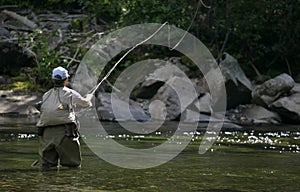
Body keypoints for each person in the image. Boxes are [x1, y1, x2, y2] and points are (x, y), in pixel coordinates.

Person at [36, 66, 93, 168]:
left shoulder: (46, 95)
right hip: (66, 133)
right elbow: (86, 104)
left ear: (53, 79)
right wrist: (89, 97)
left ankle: (47, 183)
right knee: (72, 166)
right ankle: (67, 182)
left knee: (47, 167)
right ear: (66, 79)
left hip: (46, 134)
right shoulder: (70, 93)